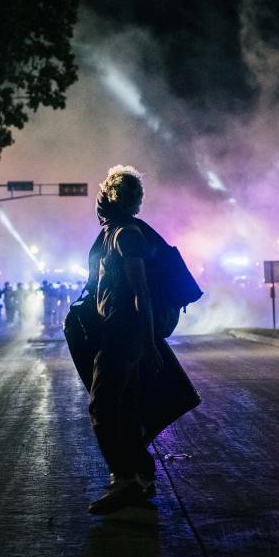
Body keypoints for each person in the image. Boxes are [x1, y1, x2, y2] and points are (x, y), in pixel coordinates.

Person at [84, 165, 163, 515]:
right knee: (126, 410)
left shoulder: (125, 236)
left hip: (123, 334)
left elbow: (140, 293)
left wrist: (148, 342)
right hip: (121, 333)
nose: (99, 202)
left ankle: (124, 478)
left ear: (112, 197)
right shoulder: (114, 232)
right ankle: (141, 476)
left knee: (102, 406)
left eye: (104, 195)